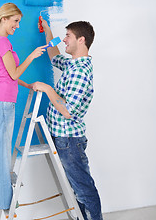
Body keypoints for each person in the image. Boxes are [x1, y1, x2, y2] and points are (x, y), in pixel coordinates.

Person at [32, 17, 103, 220]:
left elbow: (67, 111)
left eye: (68, 36)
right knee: (77, 189)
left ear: (81, 40)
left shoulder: (80, 71)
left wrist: (46, 88)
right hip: (63, 138)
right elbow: (55, 57)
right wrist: (47, 31)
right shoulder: (73, 65)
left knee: (83, 190)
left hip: (69, 141)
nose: (64, 40)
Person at [0, 3, 47, 210]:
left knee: (2, 151)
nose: (17, 25)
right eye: (15, 21)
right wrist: (32, 56)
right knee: (1, 153)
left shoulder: (2, 42)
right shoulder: (2, 43)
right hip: (3, 103)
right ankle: (4, 201)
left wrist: (27, 85)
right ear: (4, 18)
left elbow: (7, 75)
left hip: (4, 100)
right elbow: (14, 73)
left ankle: (3, 199)